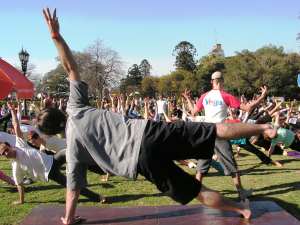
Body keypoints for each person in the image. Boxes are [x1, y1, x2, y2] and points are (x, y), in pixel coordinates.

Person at [41, 8, 277, 224]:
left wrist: (68, 219)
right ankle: (263, 129)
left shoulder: (72, 148)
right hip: (149, 132)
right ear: (59, 110)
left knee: (194, 190)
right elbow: (71, 68)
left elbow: (73, 189)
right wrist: (56, 38)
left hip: (141, 163)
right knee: (213, 129)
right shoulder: (76, 107)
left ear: (53, 132)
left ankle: (241, 210)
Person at [182, 71, 268, 201]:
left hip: (206, 133)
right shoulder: (226, 95)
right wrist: (262, 96)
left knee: (202, 164)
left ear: (212, 82)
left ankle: (195, 190)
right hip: (220, 132)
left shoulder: (204, 96)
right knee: (230, 164)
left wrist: (188, 99)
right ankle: (241, 192)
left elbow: (193, 112)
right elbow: (247, 108)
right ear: (221, 81)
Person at [0, 102, 105, 205]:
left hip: (54, 159)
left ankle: (100, 165)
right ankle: (98, 197)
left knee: (70, 152)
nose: (6, 153)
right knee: (72, 185)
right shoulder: (16, 166)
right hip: (50, 173)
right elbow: (19, 185)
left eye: (6, 150)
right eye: (3, 154)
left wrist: (13, 112)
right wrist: (21, 201)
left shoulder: (20, 145)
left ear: (10, 146)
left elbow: (16, 125)